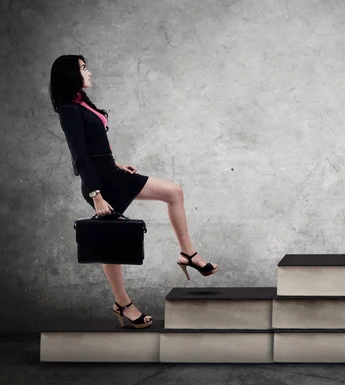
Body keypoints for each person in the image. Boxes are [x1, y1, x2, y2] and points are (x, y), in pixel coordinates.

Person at [49, 55, 218, 329]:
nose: (89, 72)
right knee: (111, 246)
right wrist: (96, 196)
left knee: (173, 192)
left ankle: (187, 253)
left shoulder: (81, 102)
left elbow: (95, 146)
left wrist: (115, 162)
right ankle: (124, 304)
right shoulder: (68, 110)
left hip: (112, 174)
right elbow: (80, 157)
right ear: (71, 74)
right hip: (102, 185)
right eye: (83, 68)